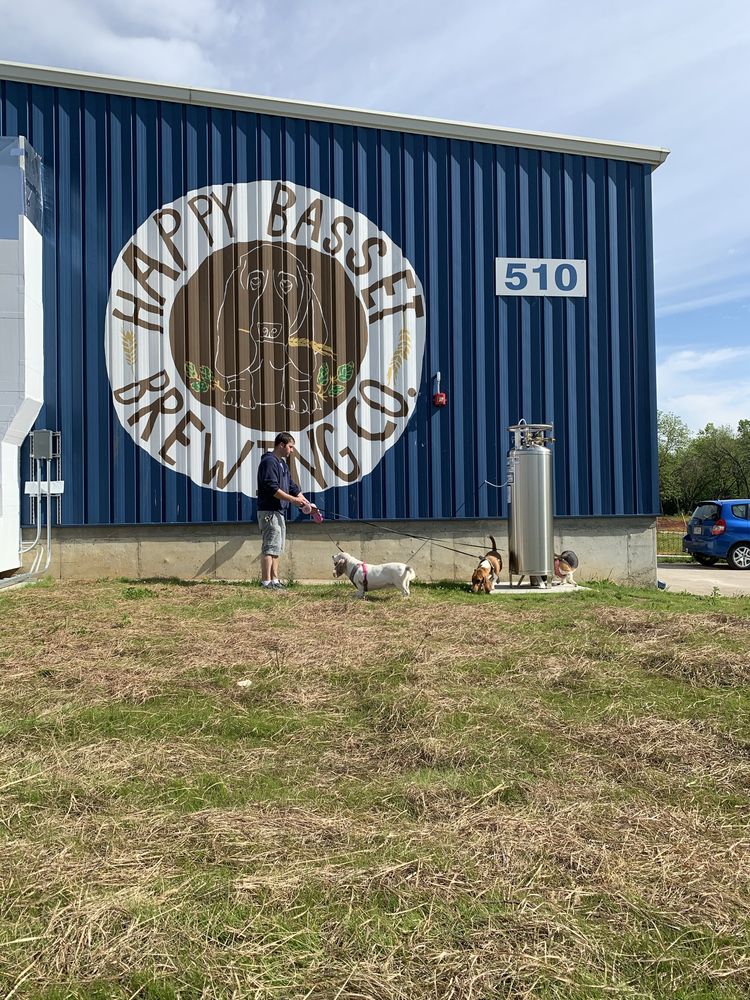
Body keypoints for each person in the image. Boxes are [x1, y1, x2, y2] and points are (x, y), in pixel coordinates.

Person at [256, 432, 315, 589]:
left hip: (278, 511)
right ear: (281, 445)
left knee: (277, 547)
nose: (292, 450)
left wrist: (305, 502)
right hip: (269, 511)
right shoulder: (269, 462)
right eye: (290, 447)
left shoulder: (282, 464)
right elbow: (272, 489)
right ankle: (266, 582)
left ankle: (275, 580)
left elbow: (292, 487)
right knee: (269, 547)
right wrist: (294, 500)